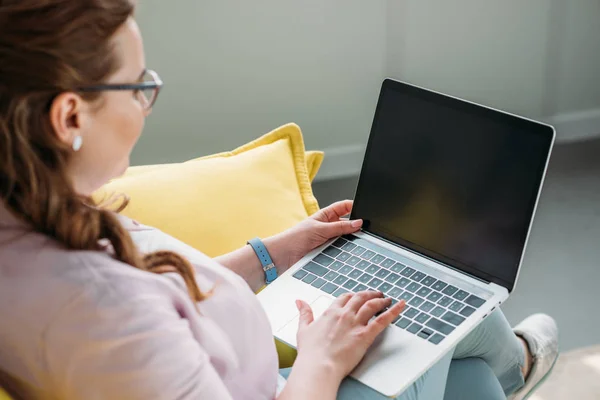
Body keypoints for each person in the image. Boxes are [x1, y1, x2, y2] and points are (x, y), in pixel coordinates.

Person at [0, 1, 559, 399]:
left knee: (473, 379)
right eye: (139, 85)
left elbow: (162, 295)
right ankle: (523, 361)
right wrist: (322, 357)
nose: (149, 102)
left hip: (261, 375)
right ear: (69, 115)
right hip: (288, 386)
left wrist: (278, 252)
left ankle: (510, 369)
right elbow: (133, 313)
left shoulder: (26, 214)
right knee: (448, 311)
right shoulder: (104, 317)